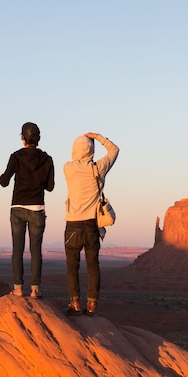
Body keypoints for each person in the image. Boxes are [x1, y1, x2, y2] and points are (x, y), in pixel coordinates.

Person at [62, 132, 119, 316]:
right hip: (92, 225)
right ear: (91, 150)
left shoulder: (68, 168)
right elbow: (114, 150)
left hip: (73, 226)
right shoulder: (99, 168)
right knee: (93, 265)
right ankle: (92, 305)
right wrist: (98, 137)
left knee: (72, 266)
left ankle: (75, 304)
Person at [0, 122, 54, 298]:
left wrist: (3, 176)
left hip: (18, 208)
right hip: (37, 208)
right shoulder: (47, 159)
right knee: (36, 250)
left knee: (18, 249)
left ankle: (17, 289)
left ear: (23, 139)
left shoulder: (16, 157)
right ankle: (35, 290)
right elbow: (50, 187)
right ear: (38, 139)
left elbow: (4, 181)